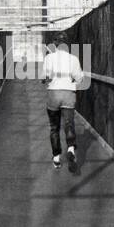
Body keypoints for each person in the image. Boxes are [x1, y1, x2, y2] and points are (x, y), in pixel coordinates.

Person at [43, 32, 84, 168]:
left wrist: (46, 79)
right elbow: (79, 78)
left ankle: (56, 158)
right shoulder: (73, 58)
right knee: (69, 124)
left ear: (55, 44)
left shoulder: (49, 58)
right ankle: (71, 149)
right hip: (68, 93)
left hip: (54, 94)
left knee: (54, 127)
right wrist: (72, 80)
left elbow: (45, 77)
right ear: (67, 45)